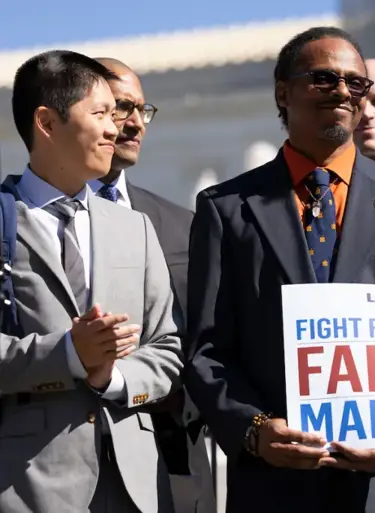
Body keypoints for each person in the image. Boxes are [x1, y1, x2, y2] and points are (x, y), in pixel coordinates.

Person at [184, 26, 375, 513]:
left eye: (355, 83)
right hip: (276, 486)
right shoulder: (225, 208)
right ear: (282, 92)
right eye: (323, 79)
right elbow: (207, 349)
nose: (342, 91)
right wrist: (254, 430)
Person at [3, 50, 183, 512]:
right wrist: (66, 354)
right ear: (47, 122)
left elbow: (167, 346)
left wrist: (112, 377)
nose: (115, 128)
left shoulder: (135, 228)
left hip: (136, 487)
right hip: (27, 486)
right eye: (101, 113)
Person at [89, 57, 215, 513]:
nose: (136, 123)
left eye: (144, 109)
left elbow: (206, 337)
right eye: (122, 107)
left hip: (170, 458)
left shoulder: (183, 226)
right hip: (52, 458)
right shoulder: (21, 219)